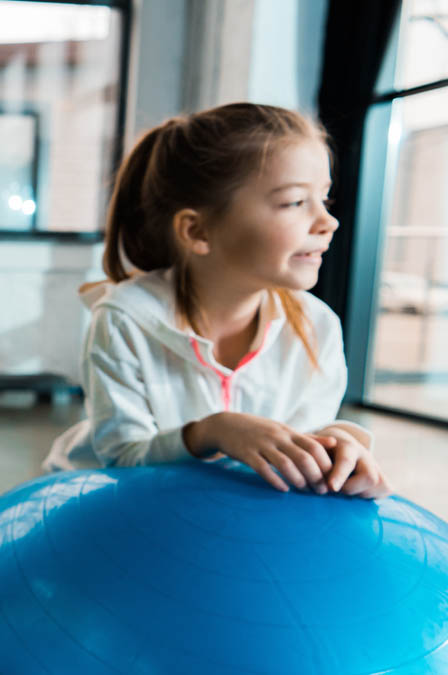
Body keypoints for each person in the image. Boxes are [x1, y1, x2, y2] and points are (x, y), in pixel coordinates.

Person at [44, 103, 390, 499]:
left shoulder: (318, 325)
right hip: (105, 505)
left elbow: (302, 441)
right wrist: (212, 432)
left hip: (222, 516)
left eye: (324, 200)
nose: (329, 222)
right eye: (295, 202)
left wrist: (337, 443)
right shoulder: (123, 319)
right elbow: (123, 458)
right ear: (197, 231)